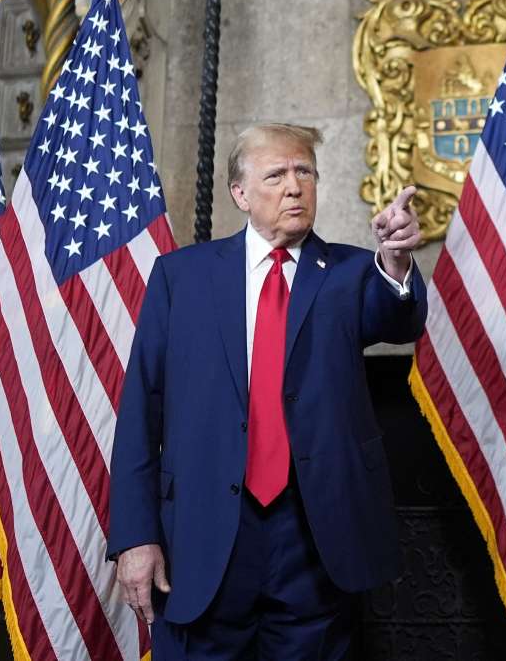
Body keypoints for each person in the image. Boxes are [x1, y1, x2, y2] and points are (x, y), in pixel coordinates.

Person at [107, 123, 426, 659]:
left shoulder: (352, 272)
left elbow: (396, 318)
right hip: (204, 535)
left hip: (315, 538)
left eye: (305, 172)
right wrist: (136, 536)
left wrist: (395, 261)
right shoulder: (180, 278)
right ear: (240, 193)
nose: (295, 186)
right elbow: (142, 410)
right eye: (276, 174)